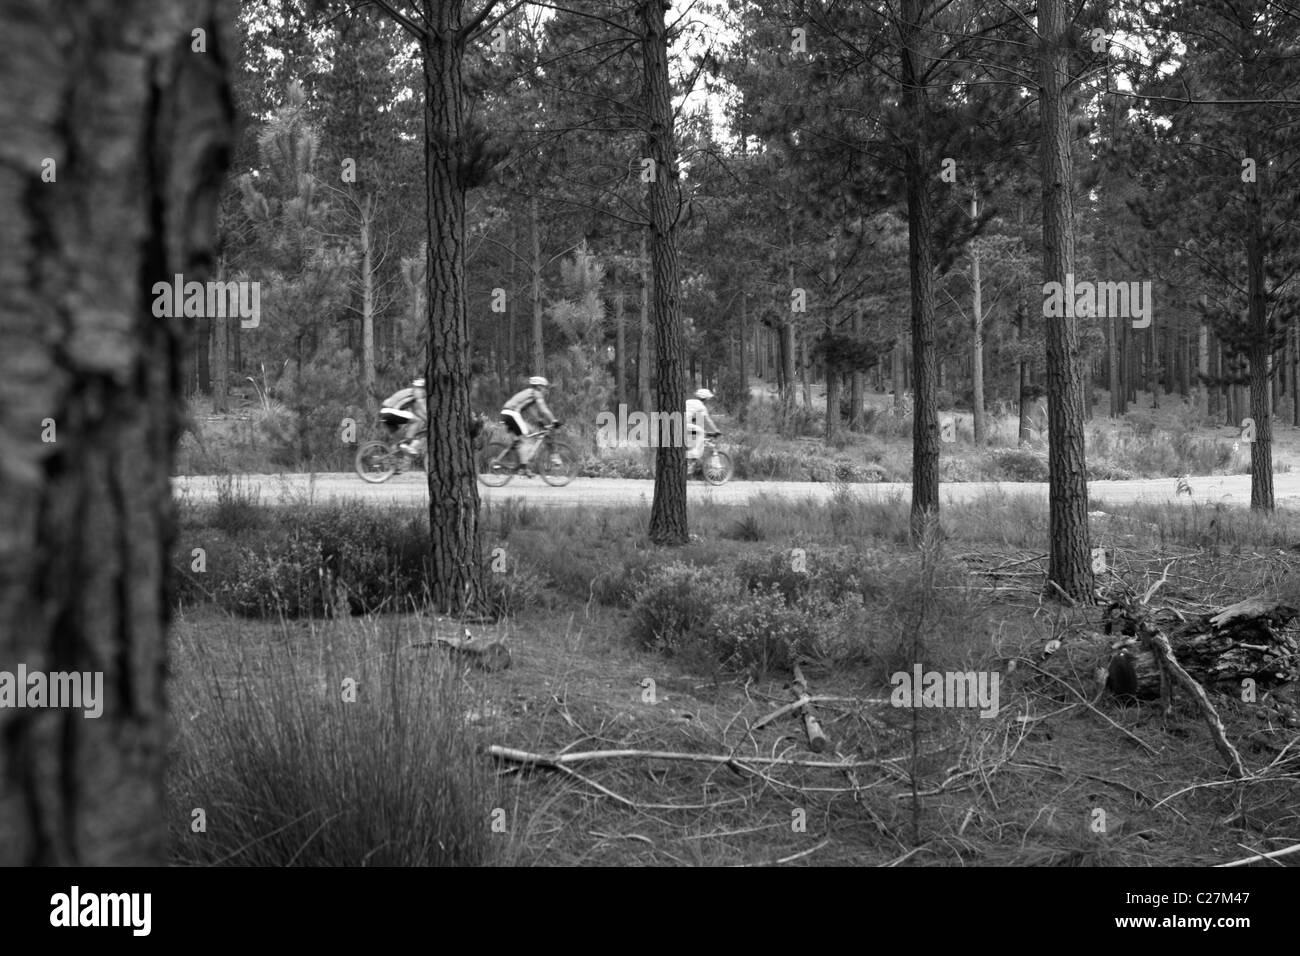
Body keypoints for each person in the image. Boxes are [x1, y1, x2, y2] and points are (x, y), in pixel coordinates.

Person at [499, 376, 559, 466]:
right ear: (539, 386)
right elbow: (544, 409)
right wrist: (554, 420)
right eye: (544, 387)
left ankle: (509, 460)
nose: (545, 390)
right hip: (512, 413)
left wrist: (539, 421)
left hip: (505, 413)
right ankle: (524, 468)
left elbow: (531, 410)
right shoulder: (536, 393)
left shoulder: (528, 393)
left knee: (518, 441)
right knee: (525, 439)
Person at [380, 377, 427, 457]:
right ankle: (406, 445)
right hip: (390, 411)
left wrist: (427, 420)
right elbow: (423, 410)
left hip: (384, 413)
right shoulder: (417, 392)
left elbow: (418, 412)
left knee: (400, 441)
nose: (423, 391)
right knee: (417, 421)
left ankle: (393, 461)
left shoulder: (411, 395)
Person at [684, 387, 720, 465]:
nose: (708, 401)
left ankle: (689, 458)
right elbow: (709, 420)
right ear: (705, 399)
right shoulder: (701, 406)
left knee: (694, 435)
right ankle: (695, 453)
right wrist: (716, 430)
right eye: (708, 399)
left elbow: (691, 416)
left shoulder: (690, 401)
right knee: (701, 431)